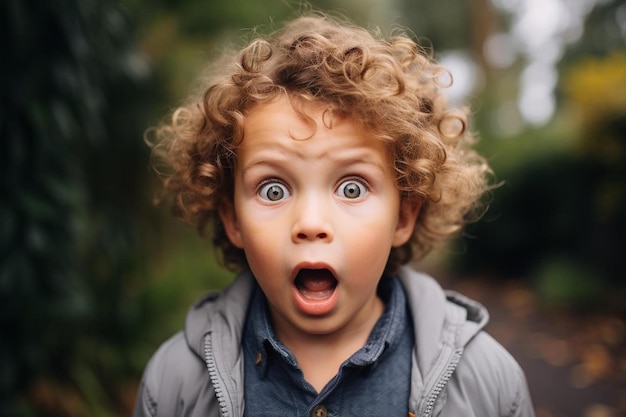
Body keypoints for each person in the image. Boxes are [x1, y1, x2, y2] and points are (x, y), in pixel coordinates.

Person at [134, 12, 535, 417]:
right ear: (232, 219)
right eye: (274, 190)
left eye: (352, 188)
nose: (310, 224)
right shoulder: (176, 383)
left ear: (403, 216)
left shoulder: (487, 382)